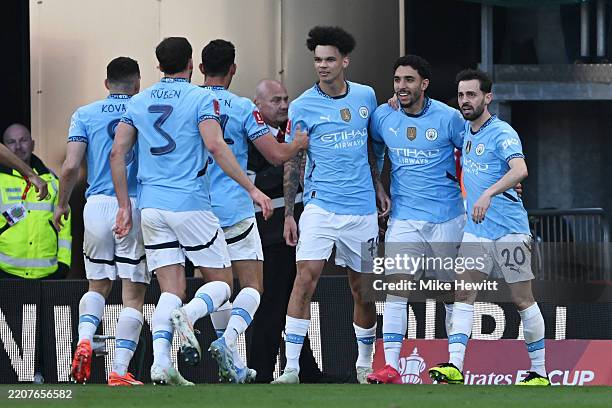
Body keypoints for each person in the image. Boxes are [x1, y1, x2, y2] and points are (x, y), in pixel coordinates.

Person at [110, 37, 272, 386]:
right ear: (190, 63)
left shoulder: (138, 101)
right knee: (223, 285)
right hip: (191, 204)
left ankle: (161, 364)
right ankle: (191, 314)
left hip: (151, 208)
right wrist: (251, 188)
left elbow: (116, 154)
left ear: (158, 66)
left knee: (170, 288)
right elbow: (215, 145)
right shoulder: (201, 98)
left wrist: (124, 206)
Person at [272, 26, 390, 385]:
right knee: (304, 282)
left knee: (362, 289)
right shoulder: (303, 105)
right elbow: (293, 160)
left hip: (361, 211)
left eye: (329, 59)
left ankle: (364, 365)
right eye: (317, 60)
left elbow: (372, 148)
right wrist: (290, 212)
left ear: (344, 61)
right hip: (320, 207)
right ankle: (291, 367)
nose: (322, 66)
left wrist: (378, 186)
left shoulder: (366, 97)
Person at [195, 39, 307, 383]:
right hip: (237, 210)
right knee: (253, 288)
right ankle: (225, 342)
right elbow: (275, 155)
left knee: (216, 286)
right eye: (276, 99)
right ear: (233, 69)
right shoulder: (243, 108)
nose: (284, 105)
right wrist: (299, 145)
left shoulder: (190, 101)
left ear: (200, 69)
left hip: (191, 210)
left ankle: (216, 350)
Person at [428, 69, 549, 386]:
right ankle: (455, 366)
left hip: (509, 231)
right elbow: (429, 111)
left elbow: (520, 168)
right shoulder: (466, 131)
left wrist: (488, 193)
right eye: (461, 95)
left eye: (472, 94)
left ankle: (540, 371)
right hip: (476, 233)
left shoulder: (502, 132)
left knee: (522, 299)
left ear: (487, 97)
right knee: (463, 292)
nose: (465, 100)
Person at [365, 55, 465, 384]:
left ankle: (454, 365)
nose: (401, 86)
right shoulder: (383, 116)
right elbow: (374, 150)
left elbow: (474, 152)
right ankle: (391, 365)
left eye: (408, 80)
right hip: (404, 219)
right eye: (397, 80)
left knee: (448, 291)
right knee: (396, 291)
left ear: (424, 84)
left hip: (447, 218)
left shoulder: (449, 118)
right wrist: (379, 185)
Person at [53, 57, 147, 386]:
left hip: (96, 205)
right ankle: (119, 370)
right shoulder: (143, 108)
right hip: (133, 204)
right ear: (137, 83)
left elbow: (69, 167)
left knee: (98, 285)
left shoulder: (85, 113)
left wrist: (61, 205)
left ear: (106, 84)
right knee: (133, 294)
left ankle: (84, 338)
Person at [247, 79, 326, 383]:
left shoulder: (294, 131)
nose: (283, 105)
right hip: (268, 232)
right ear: (258, 106)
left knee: (292, 299)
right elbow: (255, 180)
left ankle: (303, 368)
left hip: (300, 227)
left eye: (286, 99)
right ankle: (261, 369)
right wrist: (291, 158)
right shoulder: (251, 137)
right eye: (275, 100)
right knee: (273, 301)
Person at [0, 123, 70, 279]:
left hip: (48, 274)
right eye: (11, 142)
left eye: (23, 140)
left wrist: (63, 265)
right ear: (3, 149)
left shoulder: (52, 181)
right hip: (5, 272)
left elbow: (65, 227)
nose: (18, 146)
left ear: (33, 144)